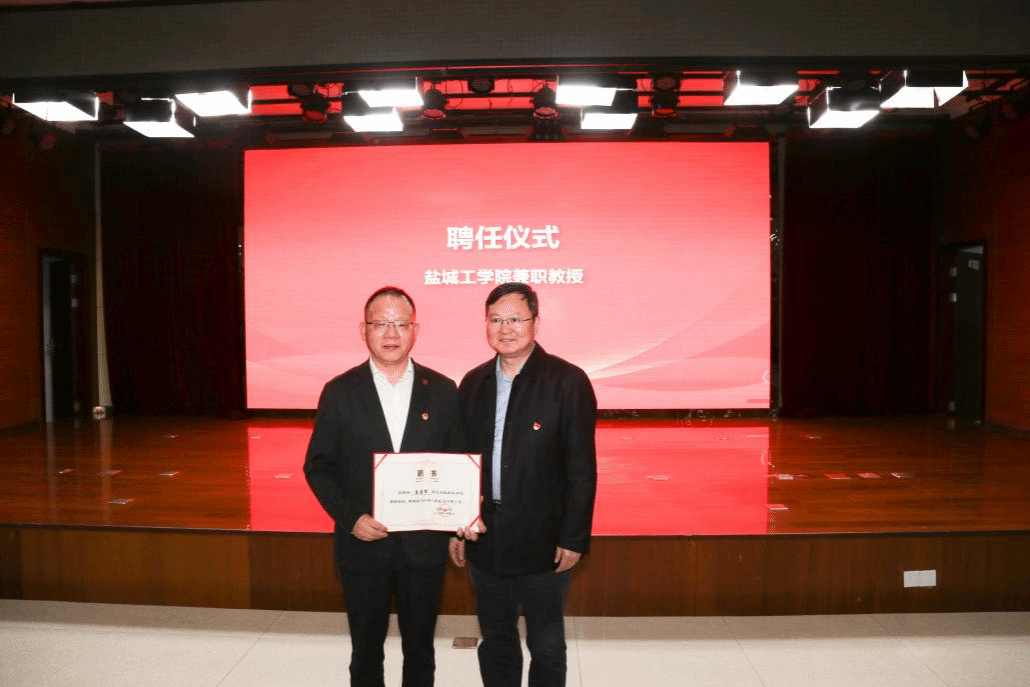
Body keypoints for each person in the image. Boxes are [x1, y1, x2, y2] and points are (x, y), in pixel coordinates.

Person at [304, 286, 475, 687]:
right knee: (365, 652)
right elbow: (319, 467)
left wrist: (459, 525)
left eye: (401, 323)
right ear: (363, 330)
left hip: (424, 548)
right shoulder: (339, 391)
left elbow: (458, 464)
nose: (391, 333)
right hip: (363, 547)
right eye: (381, 323)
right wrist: (352, 518)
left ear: (416, 330)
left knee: (421, 650)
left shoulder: (443, 390)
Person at [450, 282, 597, 687]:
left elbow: (582, 469)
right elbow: (463, 463)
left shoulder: (568, 381)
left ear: (535, 321)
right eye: (496, 319)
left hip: (544, 541)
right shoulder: (473, 383)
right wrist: (456, 527)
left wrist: (573, 537)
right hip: (486, 538)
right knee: (496, 639)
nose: (505, 328)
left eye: (515, 319)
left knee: (546, 644)